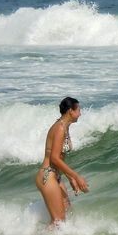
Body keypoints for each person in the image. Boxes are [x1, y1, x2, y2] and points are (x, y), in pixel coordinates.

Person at [35, 96, 89, 226]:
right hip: (47, 176)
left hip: (55, 176)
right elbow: (54, 158)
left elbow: (58, 158)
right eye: (78, 110)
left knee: (67, 214)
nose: (80, 114)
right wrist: (76, 176)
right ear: (70, 111)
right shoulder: (59, 128)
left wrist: (69, 178)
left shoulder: (65, 127)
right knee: (58, 222)